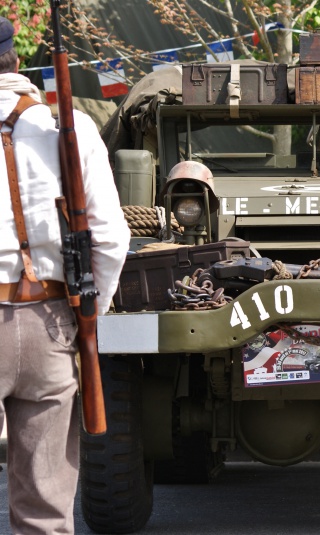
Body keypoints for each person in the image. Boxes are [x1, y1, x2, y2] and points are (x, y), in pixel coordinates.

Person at [0, 17, 129, 534]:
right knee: (46, 510)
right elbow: (111, 239)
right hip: (49, 321)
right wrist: (87, 317)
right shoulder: (65, 129)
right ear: (13, 61)